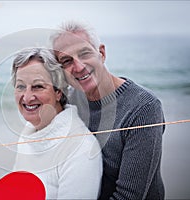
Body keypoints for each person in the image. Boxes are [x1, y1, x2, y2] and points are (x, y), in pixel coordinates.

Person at [50, 21, 165, 200]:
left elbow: (129, 196)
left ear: (101, 53)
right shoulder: (69, 102)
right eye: (66, 61)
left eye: (85, 53)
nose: (79, 67)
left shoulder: (144, 107)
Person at [11, 47, 102, 199]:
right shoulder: (28, 133)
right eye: (20, 86)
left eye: (38, 86)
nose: (26, 98)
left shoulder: (81, 149)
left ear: (58, 91)